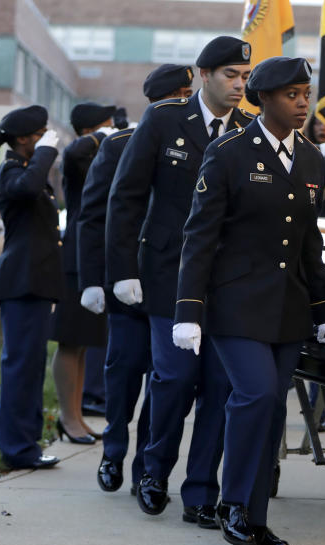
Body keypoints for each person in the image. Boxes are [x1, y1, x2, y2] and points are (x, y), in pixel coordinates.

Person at [173, 56, 325, 545]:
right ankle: (236, 506)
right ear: (262, 98)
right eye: (291, 95)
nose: (302, 104)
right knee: (257, 395)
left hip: (287, 309)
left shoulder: (312, 157)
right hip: (236, 305)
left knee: (270, 412)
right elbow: (199, 236)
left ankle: (253, 518)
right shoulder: (229, 152)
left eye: (306, 94)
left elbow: (310, 242)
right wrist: (187, 310)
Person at [107, 36, 253, 525]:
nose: (239, 85)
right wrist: (123, 269)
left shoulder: (249, 131)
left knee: (217, 385)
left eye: (246, 77)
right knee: (173, 377)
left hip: (224, 280)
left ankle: (200, 494)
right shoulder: (165, 120)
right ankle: (153, 470)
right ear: (204, 74)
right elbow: (126, 197)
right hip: (167, 274)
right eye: (231, 75)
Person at [79, 63, 195, 494]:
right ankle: (113, 450)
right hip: (128, 283)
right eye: (180, 92)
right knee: (124, 372)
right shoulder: (121, 144)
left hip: (172, 281)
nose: (187, 98)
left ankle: (146, 467)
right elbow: (93, 216)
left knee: (164, 382)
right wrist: (94, 280)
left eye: (190, 91)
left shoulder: (201, 139)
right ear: (158, 100)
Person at [0, 106, 63, 469]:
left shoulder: (27, 172)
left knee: (31, 368)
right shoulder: (12, 172)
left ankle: (27, 445)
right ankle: (17, 450)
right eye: (41, 133)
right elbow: (28, 186)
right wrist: (47, 153)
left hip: (33, 284)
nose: (48, 138)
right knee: (20, 367)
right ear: (23, 139)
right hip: (21, 283)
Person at [50, 101, 116, 445]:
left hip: (95, 260)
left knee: (84, 345)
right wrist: (100, 137)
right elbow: (73, 151)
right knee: (70, 341)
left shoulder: (105, 159)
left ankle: (75, 416)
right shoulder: (80, 161)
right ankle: (67, 416)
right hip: (76, 260)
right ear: (91, 131)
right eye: (105, 125)